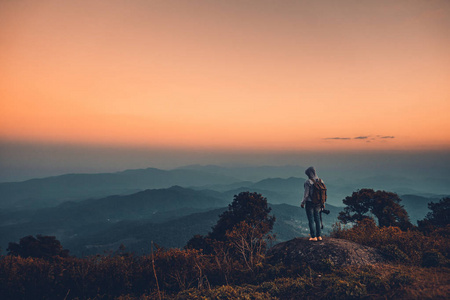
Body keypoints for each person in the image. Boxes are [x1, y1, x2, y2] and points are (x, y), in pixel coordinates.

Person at [301, 166, 324, 241]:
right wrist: (323, 203)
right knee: (317, 218)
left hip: (310, 203)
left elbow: (306, 195)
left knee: (311, 219)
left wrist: (302, 203)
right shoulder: (321, 181)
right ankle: (319, 236)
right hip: (318, 203)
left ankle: (313, 236)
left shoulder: (308, 182)